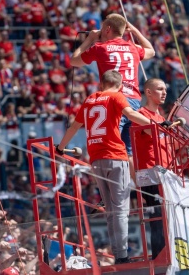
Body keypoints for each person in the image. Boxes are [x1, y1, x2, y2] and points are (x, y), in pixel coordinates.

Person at [56, 70, 157, 264]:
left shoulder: (89, 99)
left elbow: (74, 127)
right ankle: (122, 256)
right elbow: (132, 115)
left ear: (101, 84)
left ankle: (119, 253)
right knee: (120, 208)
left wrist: (61, 148)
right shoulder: (117, 96)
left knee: (111, 209)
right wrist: (155, 125)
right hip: (116, 156)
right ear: (120, 86)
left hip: (96, 159)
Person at [70, 13, 155, 177]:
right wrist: (135, 31)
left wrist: (89, 39)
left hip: (114, 100)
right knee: (128, 152)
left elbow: (74, 61)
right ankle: (142, 192)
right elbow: (151, 51)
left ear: (108, 29)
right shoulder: (132, 48)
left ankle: (110, 190)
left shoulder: (100, 48)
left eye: (102, 29)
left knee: (110, 147)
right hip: (134, 102)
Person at [132, 78, 172, 259]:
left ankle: (167, 254)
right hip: (150, 173)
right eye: (159, 89)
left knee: (168, 217)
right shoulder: (140, 114)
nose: (164, 93)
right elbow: (152, 131)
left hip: (165, 173)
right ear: (148, 92)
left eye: (165, 89)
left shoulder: (161, 118)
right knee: (158, 219)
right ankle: (160, 257)